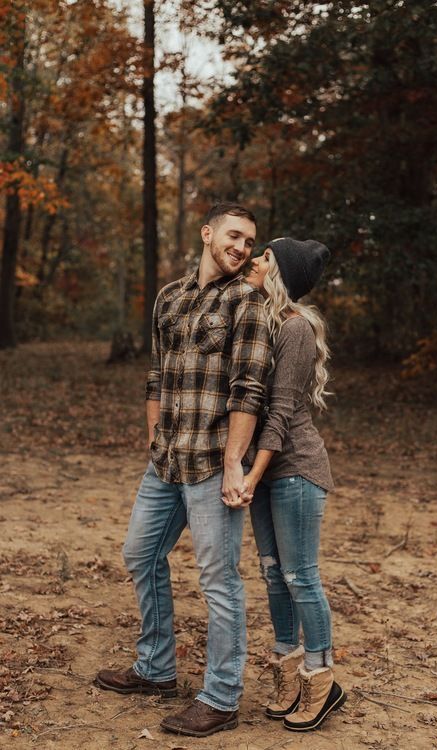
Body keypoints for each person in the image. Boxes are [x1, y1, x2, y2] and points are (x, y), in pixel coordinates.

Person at [95, 203, 271, 738]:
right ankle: (156, 669)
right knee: (139, 553)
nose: (240, 247)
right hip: (166, 461)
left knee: (219, 580)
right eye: (233, 236)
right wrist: (154, 437)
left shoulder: (248, 300)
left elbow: (250, 390)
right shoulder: (169, 297)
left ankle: (220, 697)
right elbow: (156, 374)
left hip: (212, 464)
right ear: (207, 233)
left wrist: (234, 464)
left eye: (248, 241)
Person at [225, 237, 346, 732]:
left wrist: (252, 473)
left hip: (294, 469)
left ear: (282, 273)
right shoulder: (265, 321)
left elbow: (279, 415)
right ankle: (289, 673)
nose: (255, 259)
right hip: (267, 470)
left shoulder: (295, 328)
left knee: (301, 577)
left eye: (266, 255)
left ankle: (322, 678)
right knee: (274, 575)